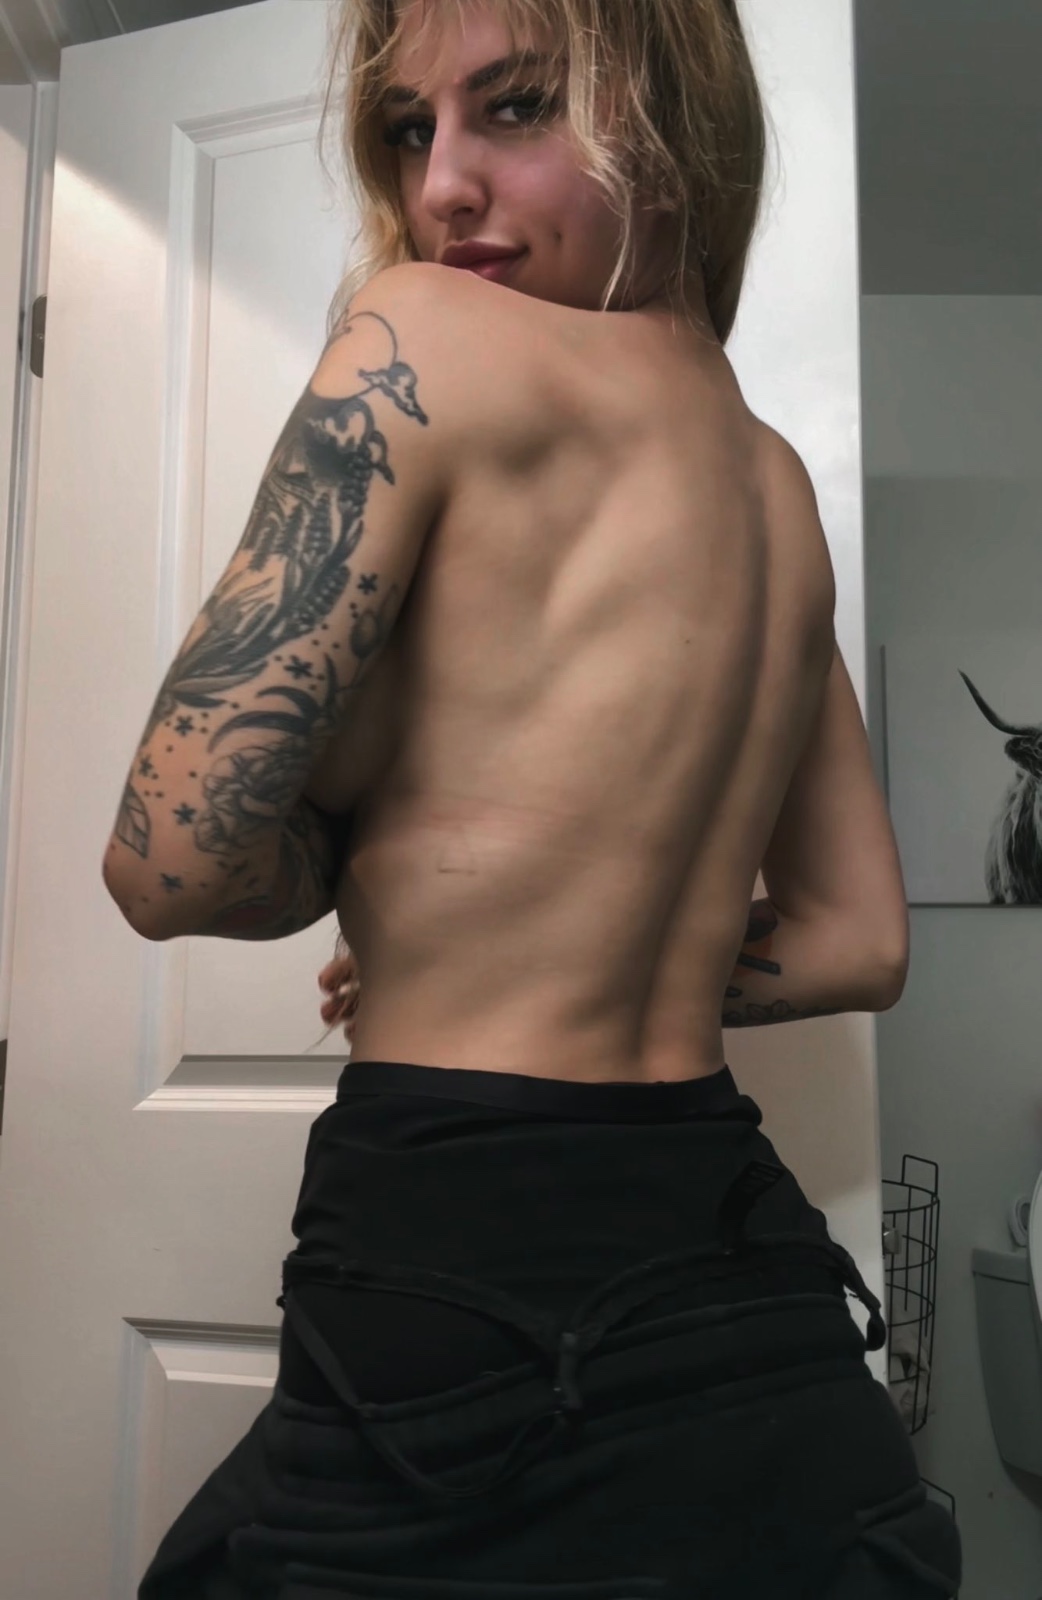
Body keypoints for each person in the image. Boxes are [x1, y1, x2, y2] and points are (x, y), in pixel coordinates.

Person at [105, 0, 962, 1594]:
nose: (439, 186)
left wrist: (371, 891)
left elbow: (170, 861)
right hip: (741, 1284)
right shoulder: (771, 481)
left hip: (462, 1244)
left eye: (514, 107)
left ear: (679, 118)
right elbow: (859, 941)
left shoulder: (421, 335)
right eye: (408, 131)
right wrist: (571, 933)